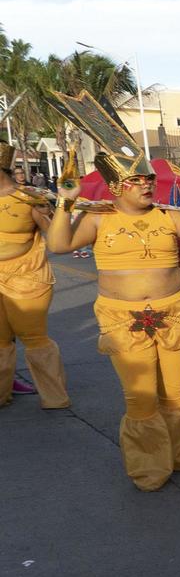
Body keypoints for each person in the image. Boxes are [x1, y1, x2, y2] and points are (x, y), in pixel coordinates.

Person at [45, 90, 180, 490]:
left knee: (176, 393)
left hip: (174, 311)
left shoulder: (169, 218)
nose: (147, 185)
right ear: (117, 187)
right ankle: (150, 466)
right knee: (140, 398)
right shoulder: (98, 220)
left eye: (149, 179)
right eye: (137, 181)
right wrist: (66, 203)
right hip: (122, 317)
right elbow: (59, 245)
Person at [0, 140, 68, 410]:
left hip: (26, 277)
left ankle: (54, 397)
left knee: (35, 338)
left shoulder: (29, 198)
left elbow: (56, 239)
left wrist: (52, 212)